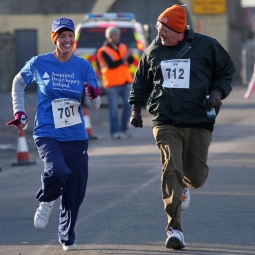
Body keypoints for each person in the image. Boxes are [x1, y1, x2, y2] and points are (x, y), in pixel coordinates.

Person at [129, 4, 235, 250]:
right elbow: (141, 80)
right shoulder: (154, 50)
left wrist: (218, 93)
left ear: (178, 29)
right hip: (166, 120)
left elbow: (226, 71)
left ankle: (185, 185)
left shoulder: (206, 46)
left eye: (164, 29)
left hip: (199, 118)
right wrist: (136, 109)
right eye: (158, 28)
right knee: (171, 168)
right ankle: (174, 228)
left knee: (196, 177)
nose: (159, 33)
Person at [6, 17, 101, 251]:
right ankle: (47, 199)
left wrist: (93, 94)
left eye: (70, 36)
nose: (67, 40)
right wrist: (19, 111)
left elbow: (95, 105)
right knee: (57, 171)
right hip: (47, 130)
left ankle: (67, 236)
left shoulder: (83, 66)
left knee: (75, 189)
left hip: (76, 134)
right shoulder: (40, 63)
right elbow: (18, 82)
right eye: (62, 36)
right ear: (54, 39)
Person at [97, 26, 134, 139]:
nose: (117, 37)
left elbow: (131, 61)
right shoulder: (104, 51)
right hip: (112, 83)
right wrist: (124, 58)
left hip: (125, 81)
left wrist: (129, 57)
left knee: (128, 106)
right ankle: (114, 131)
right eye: (115, 35)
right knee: (113, 110)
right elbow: (111, 65)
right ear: (109, 37)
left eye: (118, 35)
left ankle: (124, 127)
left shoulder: (123, 46)